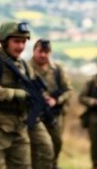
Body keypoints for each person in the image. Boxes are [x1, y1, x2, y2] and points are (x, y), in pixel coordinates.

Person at [0, 21, 54, 169]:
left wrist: (41, 98)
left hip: (19, 128)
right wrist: (16, 94)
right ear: (4, 41)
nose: (21, 46)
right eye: (16, 41)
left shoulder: (23, 65)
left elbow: (31, 89)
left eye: (23, 42)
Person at [30, 39, 73, 167]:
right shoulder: (26, 67)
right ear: (34, 51)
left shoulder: (57, 70)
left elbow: (69, 91)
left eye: (46, 52)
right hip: (34, 115)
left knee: (56, 143)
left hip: (54, 115)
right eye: (40, 51)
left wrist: (56, 100)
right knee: (35, 147)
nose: (43, 55)